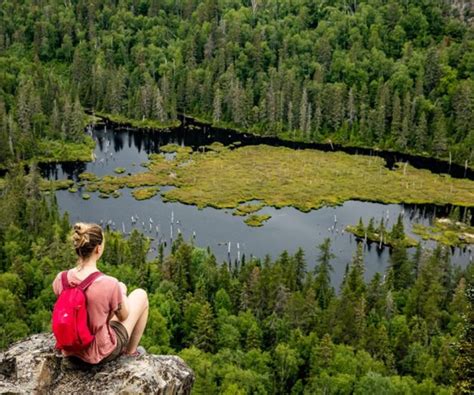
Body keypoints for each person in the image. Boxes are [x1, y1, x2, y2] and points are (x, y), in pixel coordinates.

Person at [52, 222, 149, 364]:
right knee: (141, 295)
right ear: (98, 249)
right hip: (97, 353)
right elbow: (123, 316)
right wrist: (121, 291)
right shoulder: (109, 283)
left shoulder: (62, 278)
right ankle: (130, 353)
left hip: (70, 348)